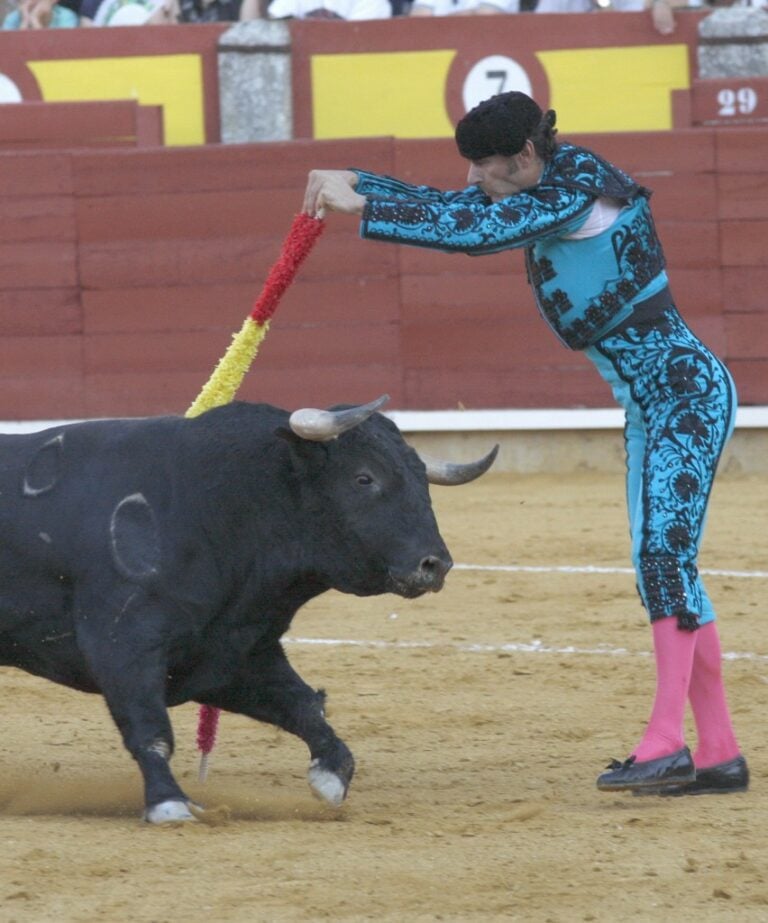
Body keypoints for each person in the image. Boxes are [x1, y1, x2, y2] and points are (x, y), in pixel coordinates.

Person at [301, 91, 749, 797]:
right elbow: (465, 210)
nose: (476, 178)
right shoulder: (537, 181)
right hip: (652, 404)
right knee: (662, 563)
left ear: (526, 156)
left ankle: (667, 742)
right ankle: (718, 749)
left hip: (687, 395)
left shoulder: (574, 190)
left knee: (664, 559)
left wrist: (370, 204)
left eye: (486, 166)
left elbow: (473, 231)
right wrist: (363, 183)